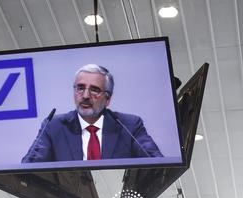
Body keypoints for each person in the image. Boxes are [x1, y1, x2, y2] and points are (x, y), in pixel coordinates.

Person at [22, 64, 162, 163]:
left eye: (94, 90)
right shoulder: (54, 126)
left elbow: (156, 161)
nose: (85, 95)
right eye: (80, 88)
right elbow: (29, 167)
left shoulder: (129, 125)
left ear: (107, 99)